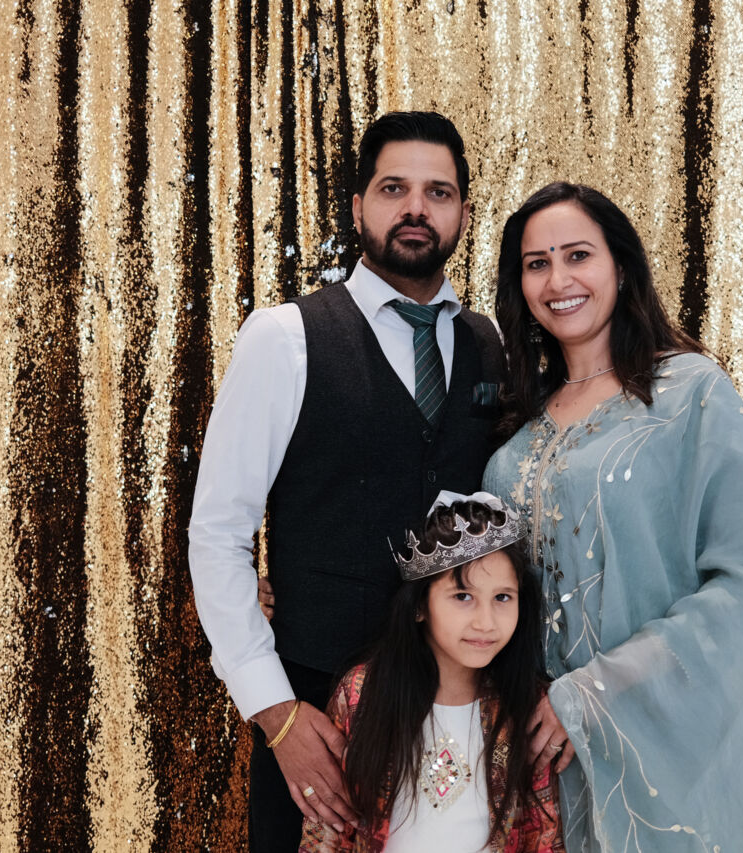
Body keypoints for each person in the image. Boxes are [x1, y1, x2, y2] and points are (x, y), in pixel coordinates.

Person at [187, 111, 507, 852]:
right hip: (316, 719)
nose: (416, 208)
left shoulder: (488, 343)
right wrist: (277, 716)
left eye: (438, 192)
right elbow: (219, 534)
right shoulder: (284, 338)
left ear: (463, 213)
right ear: (359, 206)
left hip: (457, 720)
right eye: (394, 188)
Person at [482, 182, 743, 851]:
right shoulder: (517, 426)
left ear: (620, 267)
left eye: (578, 255)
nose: (558, 280)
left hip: (657, 756)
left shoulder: (690, 394)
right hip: (534, 770)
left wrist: (591, 695)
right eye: (536, 263)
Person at [299, 493, 563, 853]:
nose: (486, 622)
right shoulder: (362, 693)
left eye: (502, 598)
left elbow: (544, 837)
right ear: (420, 605)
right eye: (463, 596)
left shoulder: (527, 706)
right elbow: (325, 832)